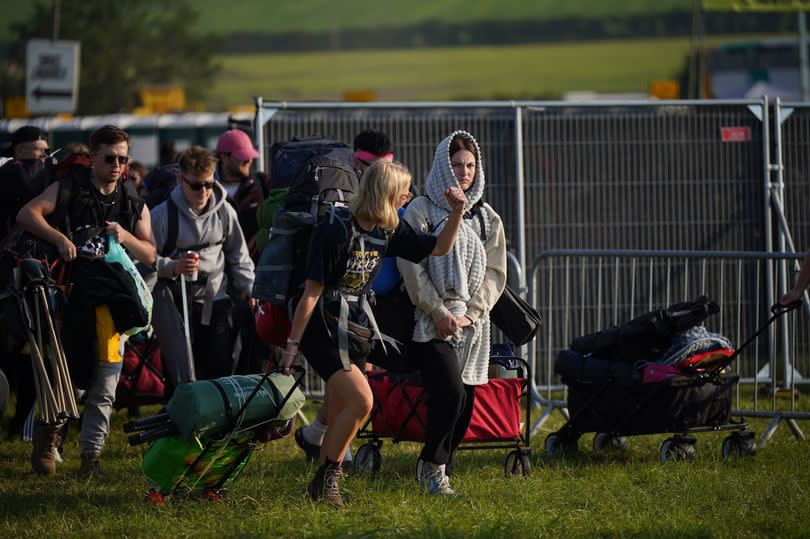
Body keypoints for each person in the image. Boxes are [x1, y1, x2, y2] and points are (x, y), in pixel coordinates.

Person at [279, 160, 467, 507]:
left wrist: (457, 212)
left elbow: (439, 247)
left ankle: (323, 478)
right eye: (402, 193)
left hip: (356, 325)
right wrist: (291, 348)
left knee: (341, 406)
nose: (407, 198)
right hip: (322, 326)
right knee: (362, 401)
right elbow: (311, 293)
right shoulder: (335, 229)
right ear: (386, 195)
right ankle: (327, 478)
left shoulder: (387, 228)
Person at [17, 125, 157, 477]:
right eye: (109, 158)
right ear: (93, 157)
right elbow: (28, 214)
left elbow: (151, 253)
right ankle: (48, 437)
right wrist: (59, 239)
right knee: (71, 377)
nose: (117, 165)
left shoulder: (130, 198)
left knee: (107, 381)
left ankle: (90, 458)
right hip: (71, 297)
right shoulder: (70, 187)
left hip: (113, 301)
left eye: (123, 159)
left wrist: (124, 236)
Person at [398, 130, 507, 496]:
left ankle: (442, 465)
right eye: (457, 165)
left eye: (471, 165)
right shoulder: (421, 210)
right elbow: (413, 268)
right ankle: (430, 466)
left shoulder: (488, 219)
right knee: (450, 392)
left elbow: (495, 274)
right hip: (428, 321)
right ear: (443, 166)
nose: (464, 172)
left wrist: (471, 314)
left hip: (473, 323)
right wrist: (438, 311)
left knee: (467, 401)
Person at [293, 129, 396, 462]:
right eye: (373, 166)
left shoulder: (386, 205)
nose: (380, 173)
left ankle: (319, 443)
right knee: (357, 395)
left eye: (386, 167)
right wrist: (291, 347)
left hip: (358, 314)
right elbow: (313, 289)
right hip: (327, 314)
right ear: (358, 162)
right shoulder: (340, 215)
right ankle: (331, 463)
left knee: (348, 386)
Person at [150, 146, 255, 384]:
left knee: (220, 366)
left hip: (216, 296)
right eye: (196, 185)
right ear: (180, 180)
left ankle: (218, 418)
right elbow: (144, 261)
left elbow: (239, 255)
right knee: (182, 371)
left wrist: (250, 287)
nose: (204, 191)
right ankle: (180, 417)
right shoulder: (162, 215)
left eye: (209, 184)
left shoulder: (225, 211)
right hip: (178, 300)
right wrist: (172, 267)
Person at [215, 129, 264, 259]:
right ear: (224, 157)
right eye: (243, 156)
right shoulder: (205, 190)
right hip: (218, 275)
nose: (249, 160)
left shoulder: (262, 184)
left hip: (254, 273)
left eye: (250, 155)